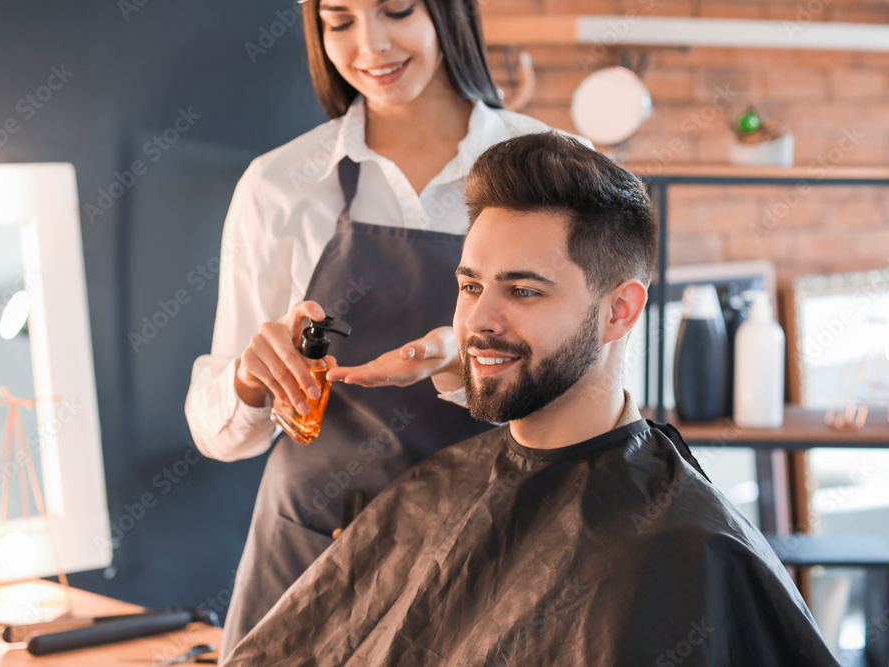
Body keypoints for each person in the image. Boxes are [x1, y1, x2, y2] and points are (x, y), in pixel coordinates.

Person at [221, 132, 840, 667]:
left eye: (523, 291)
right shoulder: (437, 488)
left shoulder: (691, 550)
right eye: (470, 285)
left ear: (618, 311)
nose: (478, 321)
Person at [184, 0, 586, 654]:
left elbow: (586, 398)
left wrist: (465, 359)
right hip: (314, 560)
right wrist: (250, 377)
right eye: (338, 21)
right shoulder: (281, 186)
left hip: (491, 560)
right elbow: (218, 435)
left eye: (396, 9)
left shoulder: (556, 172)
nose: (370, 45)